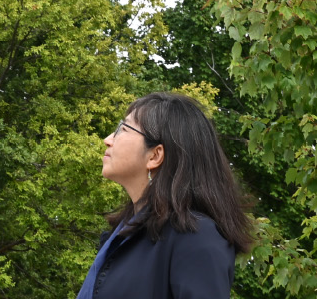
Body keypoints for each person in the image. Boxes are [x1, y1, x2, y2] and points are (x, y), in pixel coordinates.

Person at [76, 92, 253, 299]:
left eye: (123, 129)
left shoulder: (196, 236)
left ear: (155, 155)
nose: (108, 140)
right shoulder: (123, 236)